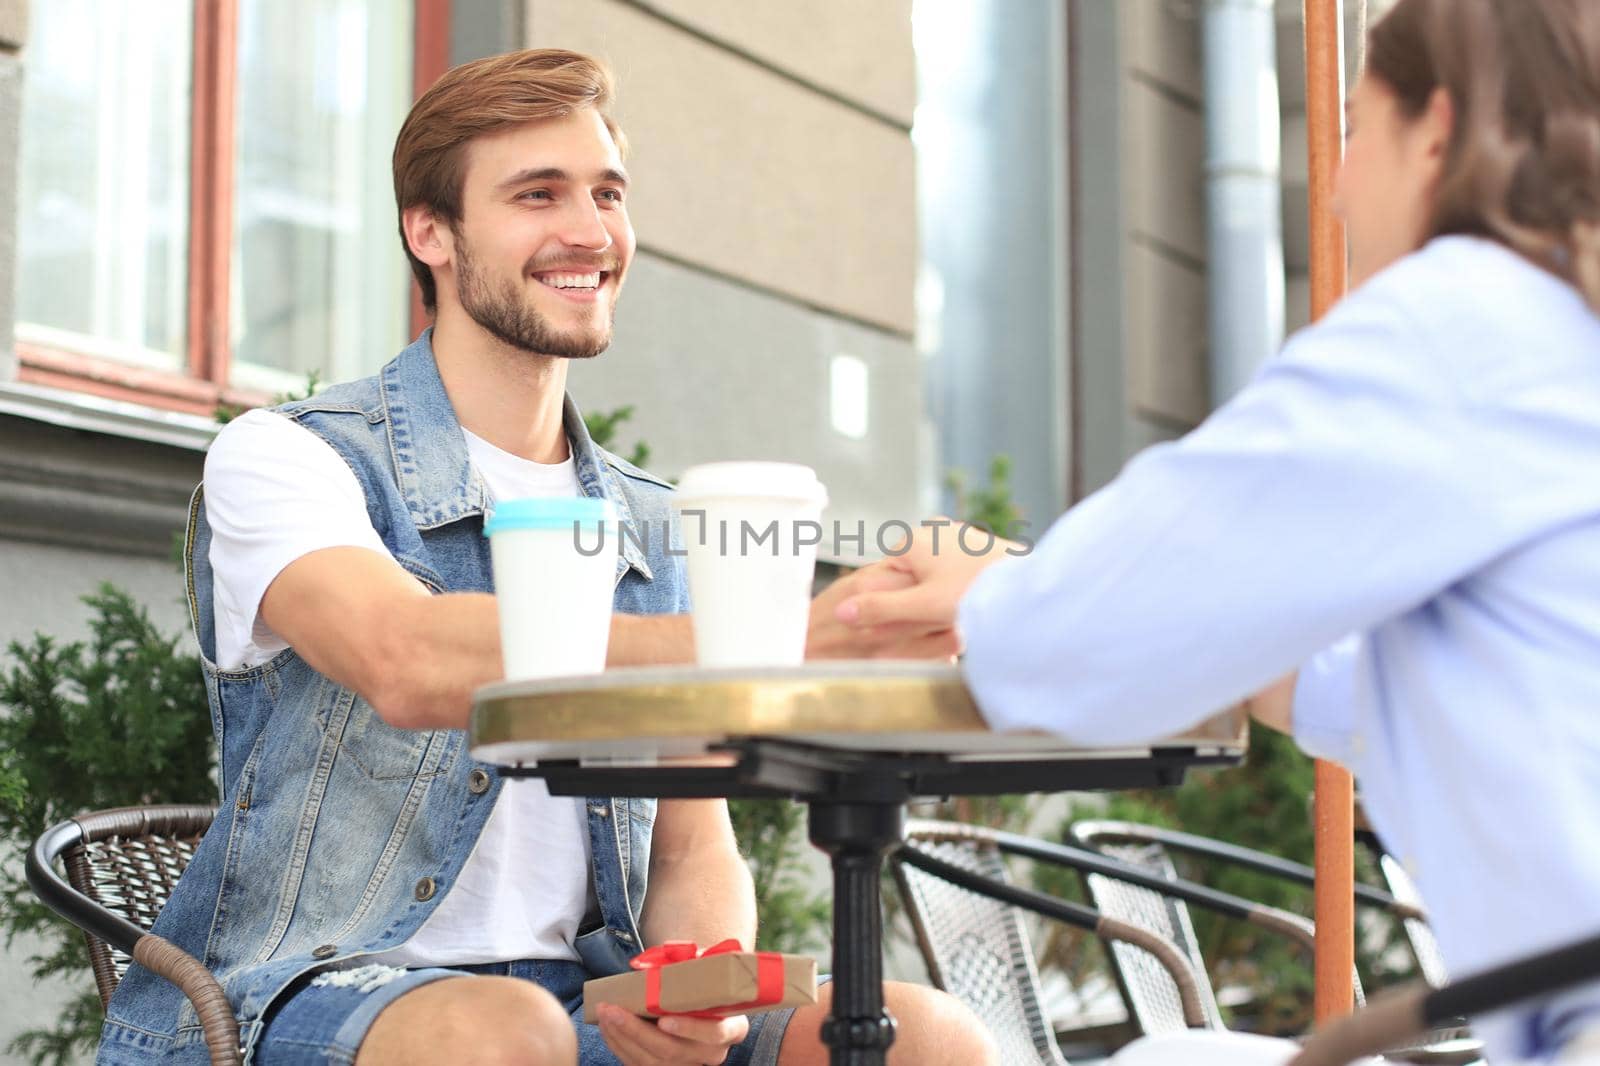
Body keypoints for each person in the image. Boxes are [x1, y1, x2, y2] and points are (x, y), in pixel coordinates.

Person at [100, 49, 992, 1066]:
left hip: (581, 1002)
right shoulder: (291, 456)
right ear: (427, 231)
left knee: (927, 1034)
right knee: (505, 1035)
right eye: (538, 194)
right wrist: (779, 644)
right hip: (300, 993)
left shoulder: (653, 524)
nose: (589, 231)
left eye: (606, 193)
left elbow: (693, 846)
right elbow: (407, 656)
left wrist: (702, 988)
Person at [823, 0, 1600, 1062]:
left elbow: (1083, 644)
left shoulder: (1463, 322)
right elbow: (1351, 684)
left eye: (1354, 130)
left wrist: (1003, 597)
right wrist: (1037, 585)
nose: (1331, 186)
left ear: (1438, 131)